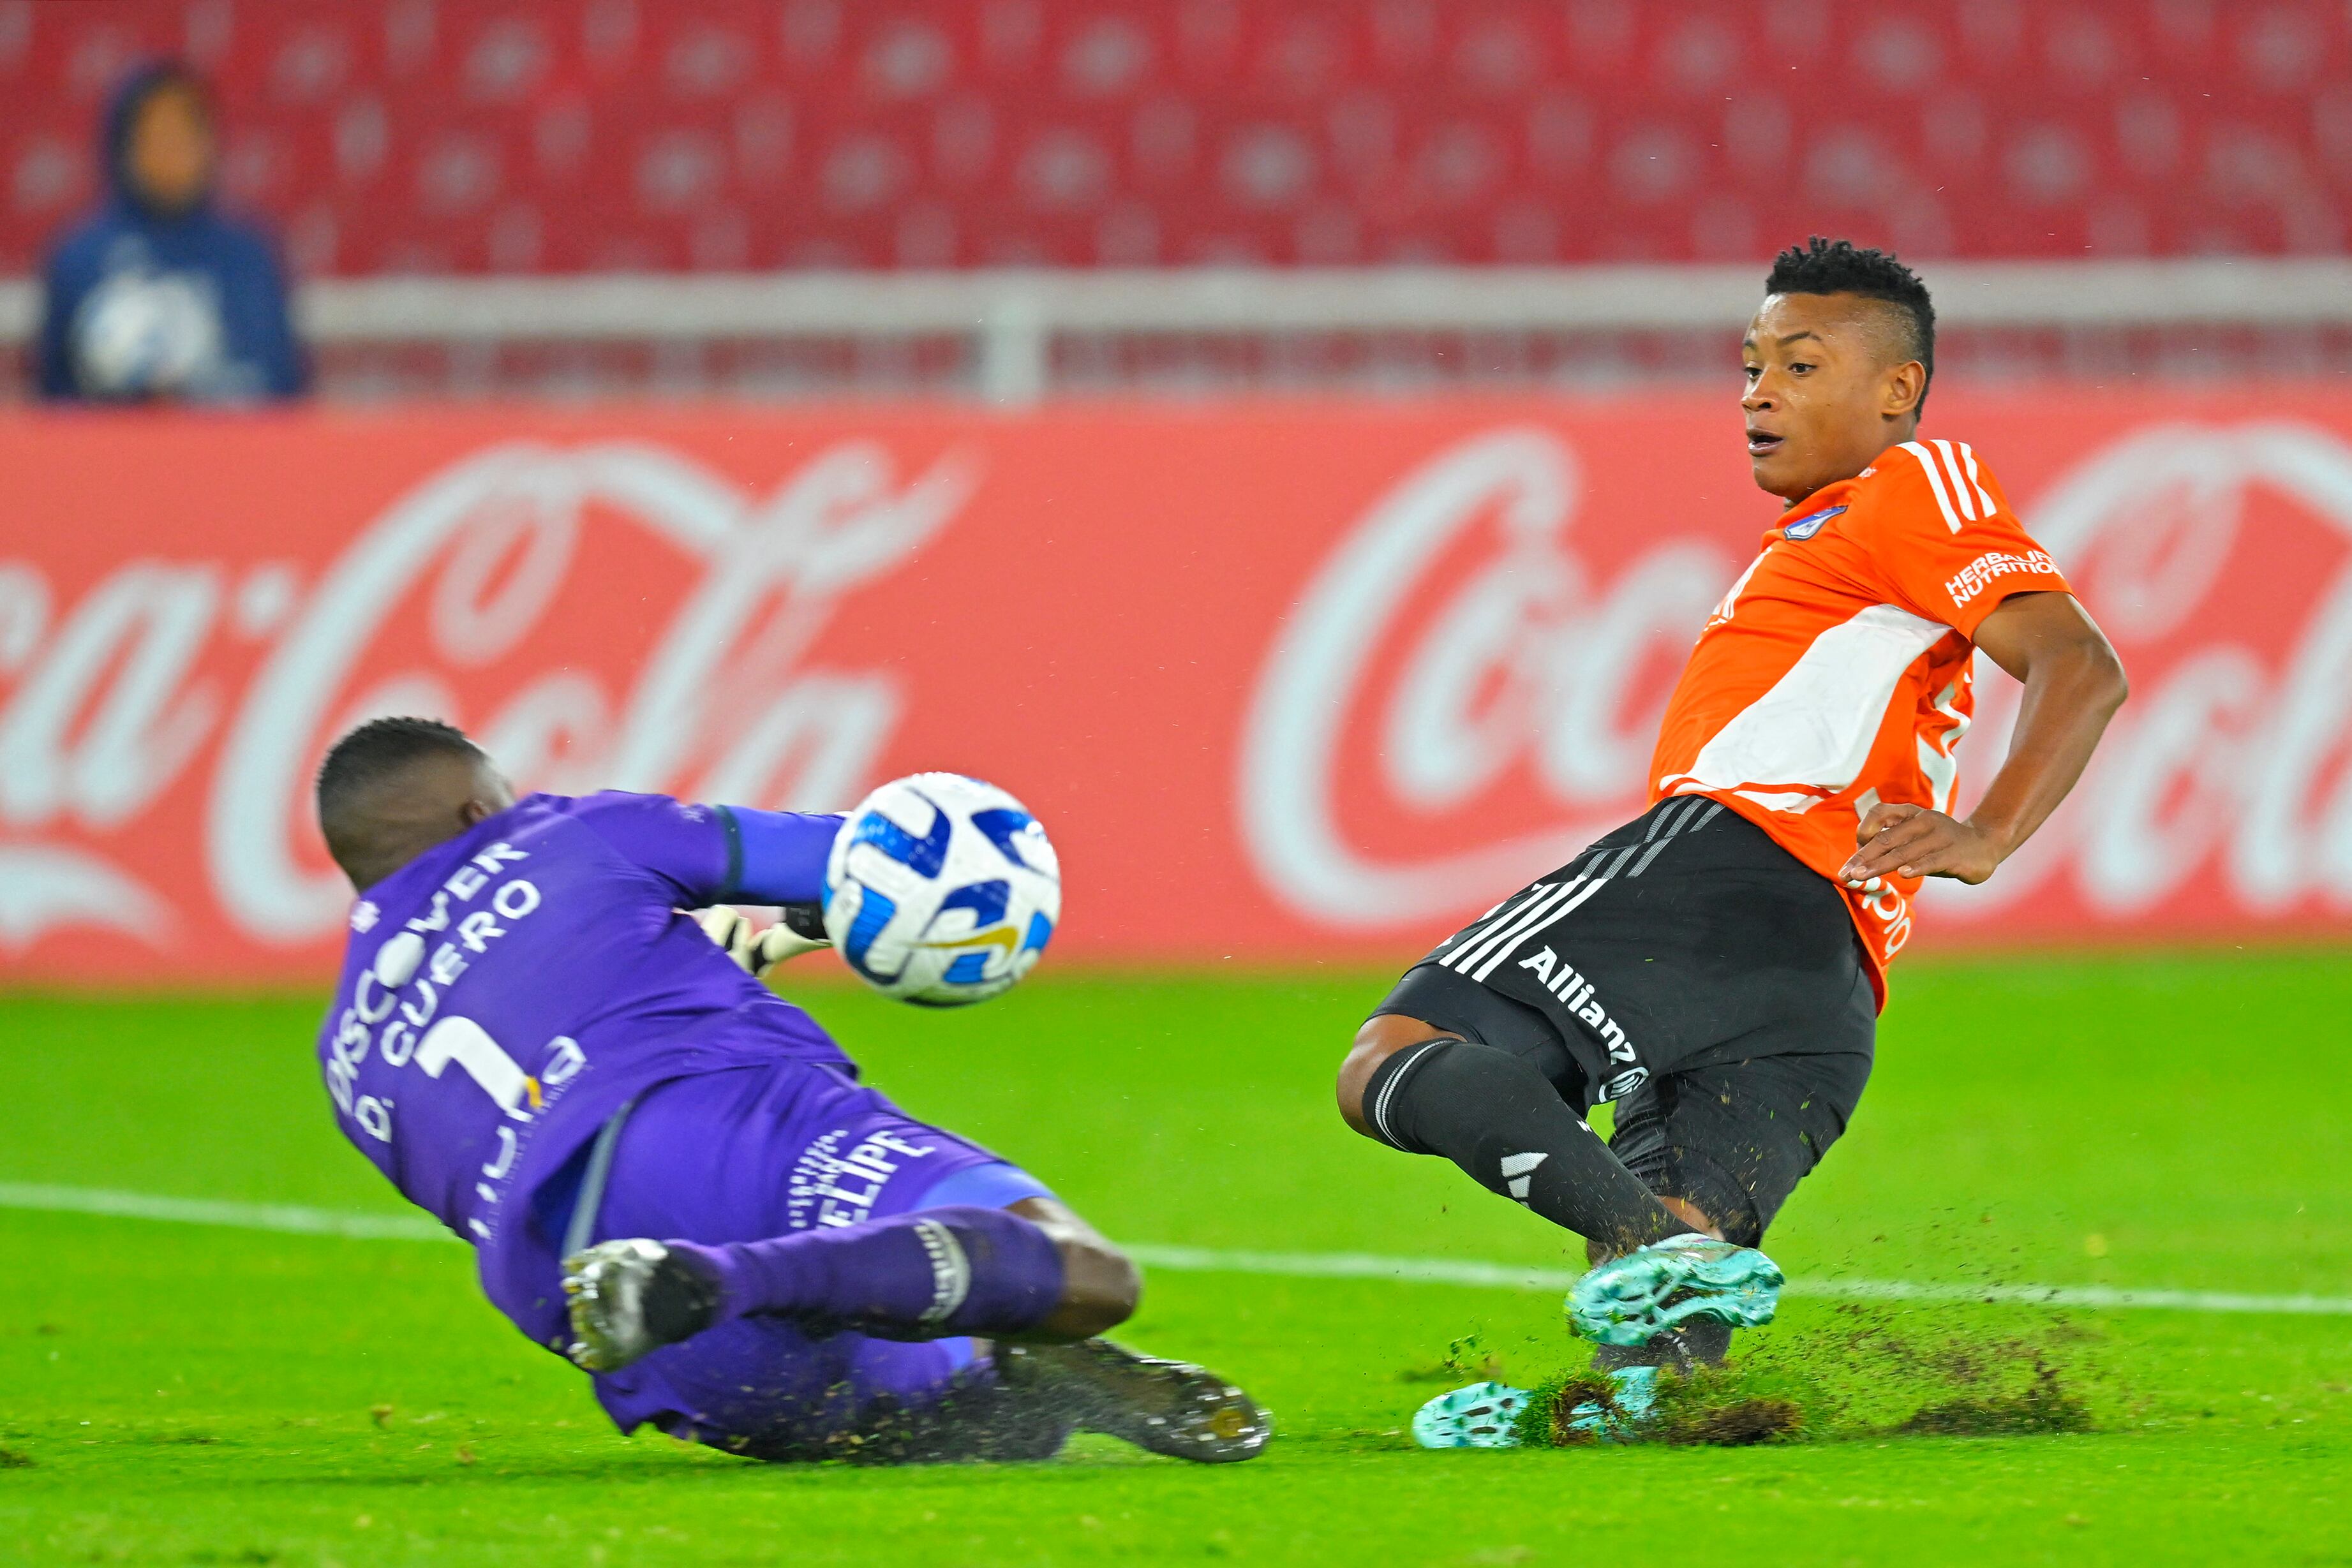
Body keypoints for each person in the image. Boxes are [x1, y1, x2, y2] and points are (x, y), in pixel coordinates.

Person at [1337, 238, 2129, 1445]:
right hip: (1827, 985)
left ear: (1896, 390)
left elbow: (2080, 662)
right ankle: (1626, 1391)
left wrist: (1990, 832)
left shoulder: (1910, 487)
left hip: (1727, 872)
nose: (1758, 391)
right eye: (1751, 364)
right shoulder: (1821, 542)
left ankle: (1647, 1241)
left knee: (1394, 1052)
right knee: (1679, 1266)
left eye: (1800, 364)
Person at [312, 716, 1267, 1464]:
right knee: (1083, 1276)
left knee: (962, 1426)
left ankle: (958, 1361)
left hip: (601, 1307)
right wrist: (857, 910)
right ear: (482, 814)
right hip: (718, 1121)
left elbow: (553, 1031)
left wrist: (768, 940)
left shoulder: (348, 1063)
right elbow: (877, 856)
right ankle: (727, 1277)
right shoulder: (568, 831)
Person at [35, 61, 304, 403]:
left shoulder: (250, 254)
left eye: (184, 133)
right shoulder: (79, 257)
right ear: (124, 143)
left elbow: (283, 385)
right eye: (155, 134)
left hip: (228, 451)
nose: (171, 151)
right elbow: (52, 399)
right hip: (111, 453)